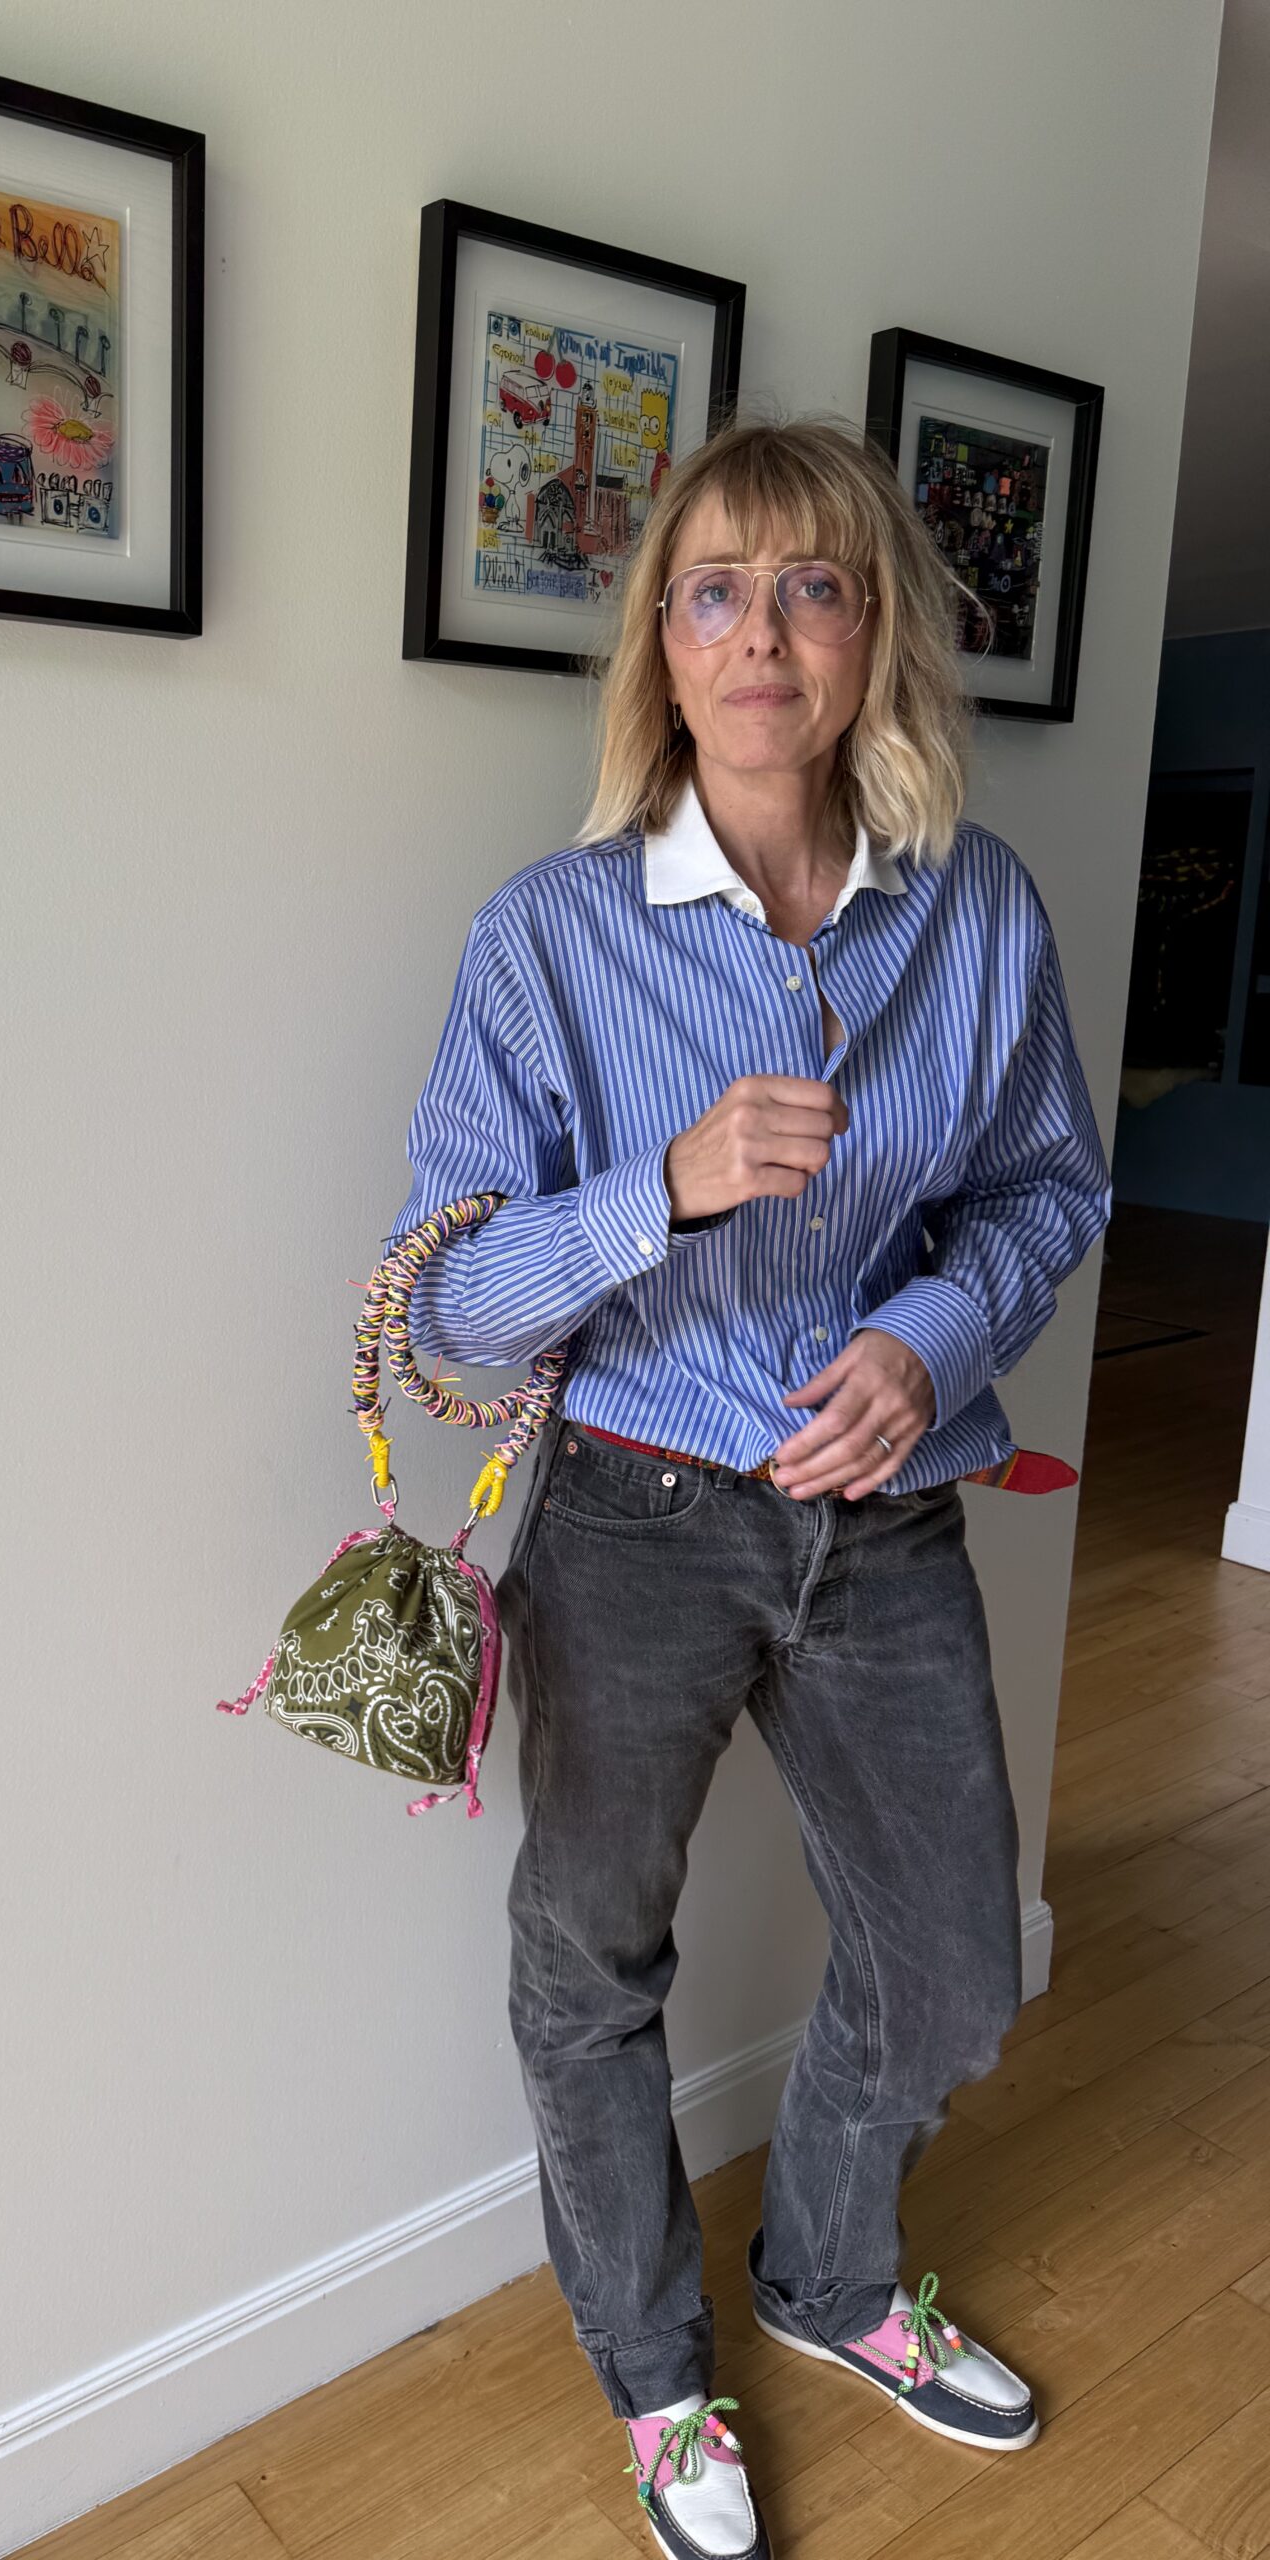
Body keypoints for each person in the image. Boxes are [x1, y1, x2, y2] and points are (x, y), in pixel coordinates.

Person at [384, 415, 1112, 2560]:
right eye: (715, 589)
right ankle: (654, 2373)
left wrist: (931, 1341)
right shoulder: (548, 936)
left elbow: (1048, 1185)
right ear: (662, 643)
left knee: (958, 1954)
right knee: (589, 1958)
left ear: (876, 632)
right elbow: (447, 1307)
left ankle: (827, 2273)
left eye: (813, 586)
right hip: (634, 1518)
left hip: (884, 1517)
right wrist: (665, 1188)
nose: (762, 633)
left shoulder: (978, 911)